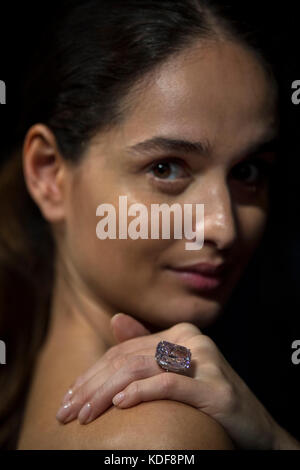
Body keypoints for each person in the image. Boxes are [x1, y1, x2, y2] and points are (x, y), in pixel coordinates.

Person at [0, 0, 299, 450]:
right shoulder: (160, 433)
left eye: (247, 172)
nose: (224, 228)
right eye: (166, 169)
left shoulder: (29, 393)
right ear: (49, 174)